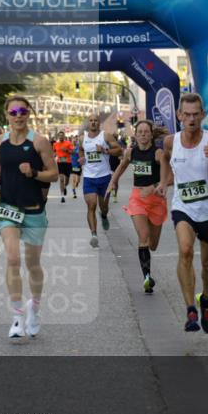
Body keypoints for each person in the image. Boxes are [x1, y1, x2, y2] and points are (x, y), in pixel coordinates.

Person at [160, 93, 208, 333]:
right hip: (183, 207)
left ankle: (205, 300)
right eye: (187, 115)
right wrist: (164, 182)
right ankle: (190, 310)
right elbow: (165, 158)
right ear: (179, 115)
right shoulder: (170, 141)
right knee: (185, 250)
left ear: (202, 115)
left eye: (196, 114)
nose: (192, 119)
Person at [0, 95, 59, 339]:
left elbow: (54, 175)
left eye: (23, 111)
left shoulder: (39, 142)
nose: (18, 116)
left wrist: (34, 172)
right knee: (12, 258)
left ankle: (34, 309)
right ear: (6, 115)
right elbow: (0, 164)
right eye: (14, 112)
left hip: (34, 210)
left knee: (33, 264)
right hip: (8, 209)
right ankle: (17, 317)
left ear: (29, 114)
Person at [107, 120, 168, 293]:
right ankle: (147, 278)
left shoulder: (158, 154)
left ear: (151, 134)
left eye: (145, 132)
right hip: (138, 198)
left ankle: (147, 268)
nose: (142, 134)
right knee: (144, 237)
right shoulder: (130, 152)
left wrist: (155, 186)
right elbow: (121, 166)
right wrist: (112, 181)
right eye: (139, 131)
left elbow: (169, 177)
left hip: (156, 200)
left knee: (153, 245)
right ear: (135, 135)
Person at [79, 112, 120, 249]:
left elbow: (119, 150)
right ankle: (94, 235)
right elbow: (80, 150)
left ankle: (103, 215)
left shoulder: (105, 136)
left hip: (104, 177)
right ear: (88, 122)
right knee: (91, 206)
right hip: (89, 178)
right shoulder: (82, 139)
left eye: (95, 120)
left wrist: (105, 150)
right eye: (90, 120)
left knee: (103, 206)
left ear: (99, 123)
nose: (93, 122)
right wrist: (81, 158)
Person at [52, 132, 74, 203]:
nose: (61, 137)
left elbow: (73, 152)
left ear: (64, 136)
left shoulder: (68, 143)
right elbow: (54, 152)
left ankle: (64, 187)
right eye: (60, 136)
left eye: (62, 136)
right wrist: (53, 157)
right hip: (60, 163)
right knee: (61, 179)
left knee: (67, 180)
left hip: (67, 163)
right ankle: (62, 196)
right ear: (58, 136)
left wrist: (67, 150)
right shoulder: (55, 144)